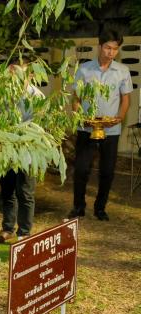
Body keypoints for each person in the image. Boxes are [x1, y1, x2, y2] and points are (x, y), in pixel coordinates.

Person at [68, 29, 133, 221]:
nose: (110, 52)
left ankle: (100, 208)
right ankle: (78, 207)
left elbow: (126, 99)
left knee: (107, 171)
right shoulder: (84, 69)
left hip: (111, 130)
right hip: (86, 128)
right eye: (107, 47)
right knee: (81, 169)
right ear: (100, 46)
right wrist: (80, 115)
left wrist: (119, 117)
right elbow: (76, 98)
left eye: (114, 49)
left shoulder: (123, 71)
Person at [0, 59, 44, 243]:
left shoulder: (37, 97)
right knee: (7, 191)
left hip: (27, 153)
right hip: (5, 151)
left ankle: (24, 233)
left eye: (20, 73)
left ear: (30, 74)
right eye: (12, 73)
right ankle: (7, 228)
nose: (14, 77)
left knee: (25, 192)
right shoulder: (1, 96)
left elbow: (37, 130)